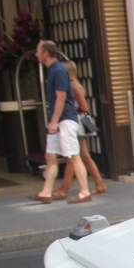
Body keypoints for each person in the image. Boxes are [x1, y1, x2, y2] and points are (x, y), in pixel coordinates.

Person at [28, 40, 90, 204]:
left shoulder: (58, 71)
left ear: (45, 53)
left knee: (73, 156)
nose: (36, 54)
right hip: (58, 120)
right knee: (50, 156)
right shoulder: (53, 71)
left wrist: (54, 122)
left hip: (65, 120)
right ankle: (46, 192)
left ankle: (84, 191)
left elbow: (61, 97)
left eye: (37, 51)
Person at [50, 61, 106, 198]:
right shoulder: (72, 85)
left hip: (78, 121)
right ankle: (97, 184)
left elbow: (84, 107)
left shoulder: (74, 86)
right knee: (79, 155)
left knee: (76, 155)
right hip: (78, 121)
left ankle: (67, 188)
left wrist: (68, 107)